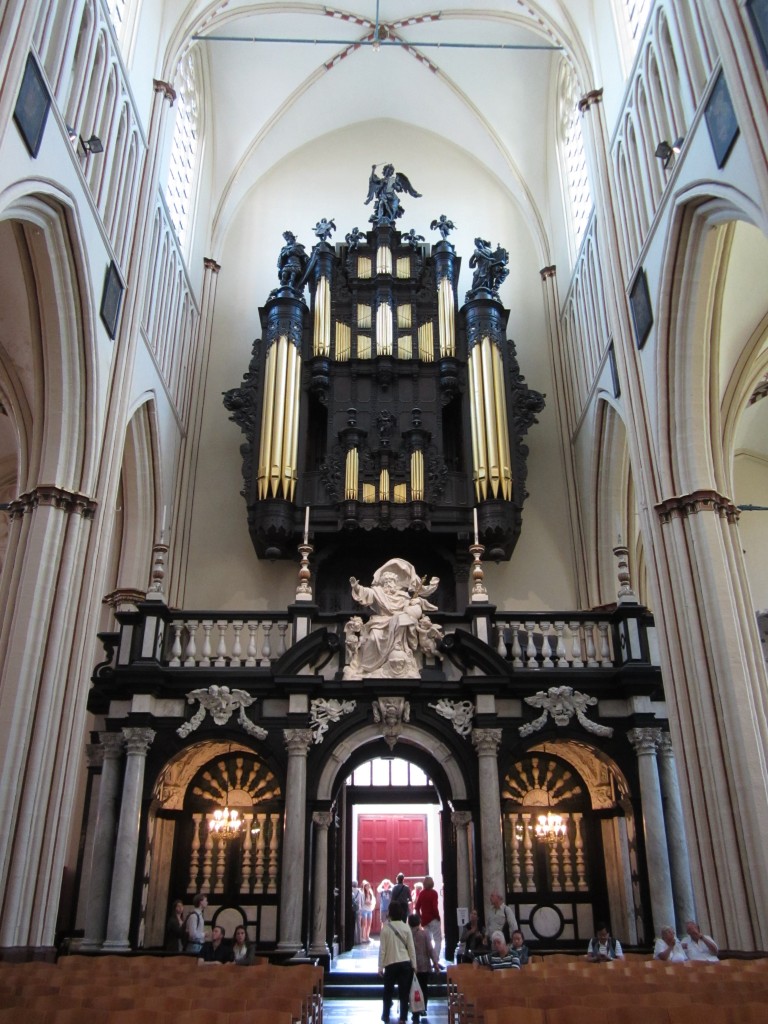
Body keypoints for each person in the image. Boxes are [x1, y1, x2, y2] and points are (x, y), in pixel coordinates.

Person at [343, 560, 441, 680]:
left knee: (401, 619)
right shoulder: (377, 593)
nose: (389, 584)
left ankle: (397, 646)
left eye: (391, 581)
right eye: (387, 582)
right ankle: (367, 667)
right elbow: (366, 592)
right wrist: (356, 587)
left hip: (398, 624)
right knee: (373, 637)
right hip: (379, 622)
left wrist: (415, 603)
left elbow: (410, 610)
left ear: (396, 583)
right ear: (383, 583)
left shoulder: (403, 596)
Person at [378, 901, 417, 1024]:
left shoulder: (385, 929)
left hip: (390, 963)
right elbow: (411, 948)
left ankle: (385, 1015)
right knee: (404, 992)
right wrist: (414, 965)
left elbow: (382, 950)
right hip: (405, 963)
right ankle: (403, 1018)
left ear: (390, 913)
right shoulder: (406, 927)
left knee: (387, 991)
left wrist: (380, 967)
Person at [408, 913, 439, 1023]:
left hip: (411, 966)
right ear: (419, 922)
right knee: (423, 988)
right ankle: (423, 1008)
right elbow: (430, 949)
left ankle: (414, 1011)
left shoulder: (407, 935)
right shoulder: (424, 934)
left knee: (413, 989)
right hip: (424, 965)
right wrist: (435, 962)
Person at [415, 876, 441, 960]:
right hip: (433, 919)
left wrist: (420, 917)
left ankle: (428, 959)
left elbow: (417, 907)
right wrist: (437, 917)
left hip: (424, 920)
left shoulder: (422, 893)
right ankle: (435, 958)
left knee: (427, 941)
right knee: (437, 939)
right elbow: (434, 907)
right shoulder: (434, 893)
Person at [352, 880, 364, 945]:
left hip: (352, 910)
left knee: (352, 925)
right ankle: (359, 940)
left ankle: (353, 939)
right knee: (359, 925)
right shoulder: (360, 892)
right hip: (358, 909)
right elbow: (362, 902)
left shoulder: (350, 890)